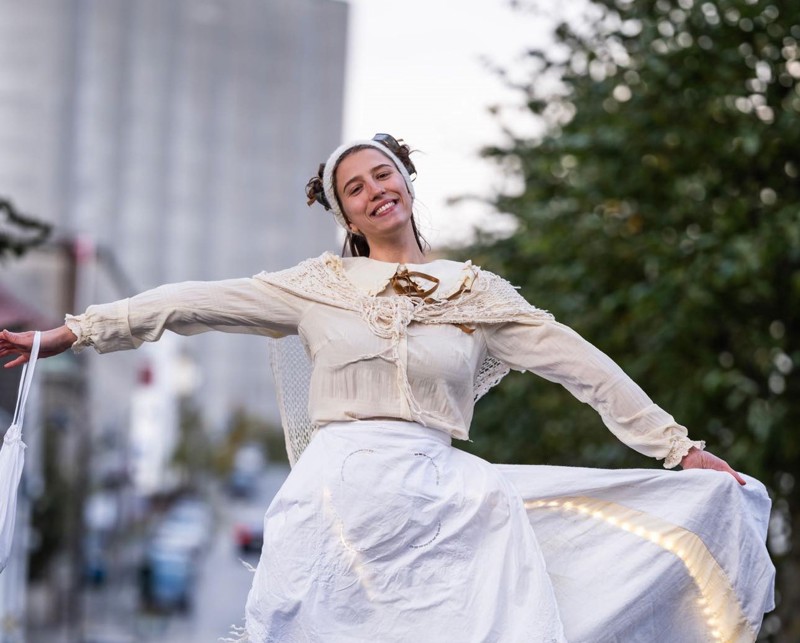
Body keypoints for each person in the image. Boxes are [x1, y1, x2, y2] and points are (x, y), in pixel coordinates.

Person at [0, 134, 774, 642]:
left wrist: (678, 447)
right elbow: (189, 301)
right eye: (355, 186)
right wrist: (73, 331)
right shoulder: (318, 286)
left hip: (444, 498)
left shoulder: (475, 292)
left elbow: (581, 364)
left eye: (383, 174)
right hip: (340, 497)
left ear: (405, 182)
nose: (375, 189)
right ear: (345, 211)